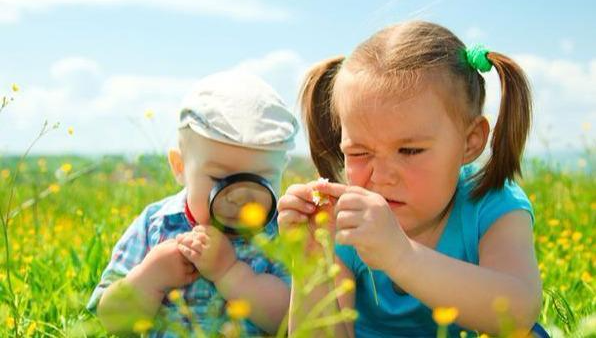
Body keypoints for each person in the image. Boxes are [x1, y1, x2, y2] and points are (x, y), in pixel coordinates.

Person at [278, 20, 543, 337]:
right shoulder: (345, 222)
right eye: (359, 152)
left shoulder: (492, 204)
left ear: (470, 142)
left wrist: (400, 256)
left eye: (410, 150)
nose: (382, 177)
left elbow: (518, 315)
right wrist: (309, 262)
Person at [88, 70, 299, 337]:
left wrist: (232, 274)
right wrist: (149, 277)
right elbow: (112, 320)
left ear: (283, 169)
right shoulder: (156, 223)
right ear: (179, 167)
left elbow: (295, 323)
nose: (239, 195)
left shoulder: (282, 233)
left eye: (261, 179)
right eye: (220, 178)